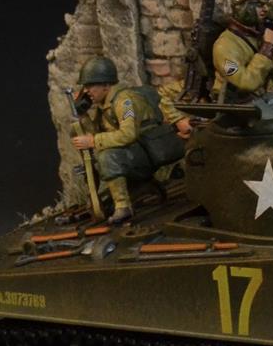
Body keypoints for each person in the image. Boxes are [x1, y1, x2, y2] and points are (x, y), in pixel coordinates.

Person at [67, 56, 186, 224]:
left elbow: (128, 134)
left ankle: (123, 207)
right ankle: (134, 191)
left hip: (148, 151)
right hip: (135, 151)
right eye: (85, 87)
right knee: (102, 158)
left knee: (107, 156)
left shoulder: (125, 102)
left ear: (106, 85)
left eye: (90, 86)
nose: (86, 92)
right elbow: (99, 133)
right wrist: (83, 115)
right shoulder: (105, 105)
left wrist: (93, 140)